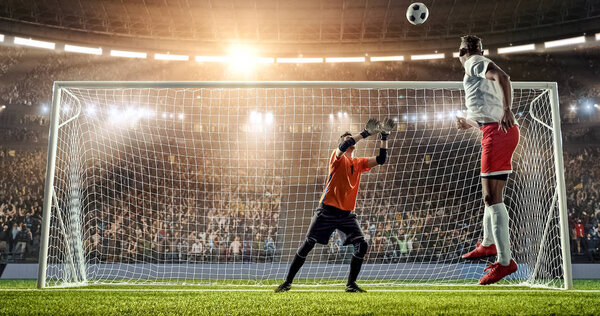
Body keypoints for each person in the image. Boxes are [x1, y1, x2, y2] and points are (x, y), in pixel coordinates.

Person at [275, 118, 395, 293]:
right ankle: (287, 282)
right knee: (309, 244)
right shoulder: (336, 157)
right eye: (346, 139)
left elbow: (382, 159)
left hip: (346, 214)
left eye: (350, 139)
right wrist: (365, 133)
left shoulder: (359, 163)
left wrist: (384, 136)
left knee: (362, 245)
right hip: (327, 210)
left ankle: (351, 284)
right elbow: (346, 144)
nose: (348, 141)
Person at [455, 35, 519, 285]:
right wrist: (468, 122)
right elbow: (486, 113)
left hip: (497, 133)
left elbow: (503, 77)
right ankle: (487, 244)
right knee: (489, 198)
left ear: (462, 52)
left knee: (491, 198)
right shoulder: (476, 66)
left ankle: (505, 262)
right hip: (492, 131)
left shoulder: (473, 61)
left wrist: (507, 108)